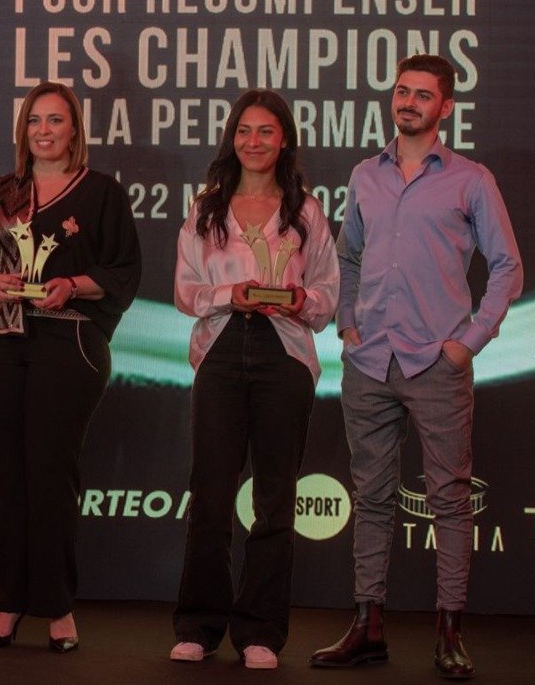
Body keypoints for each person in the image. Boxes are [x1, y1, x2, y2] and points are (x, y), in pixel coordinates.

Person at [311, 54, 522, 679]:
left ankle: (449, 634)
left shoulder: (470, 179)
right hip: (369, 359)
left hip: (437, 360)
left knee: (450, 501)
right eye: (401, 91)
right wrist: (347, 326)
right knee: (371, 498)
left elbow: (507, 267)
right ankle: (368, 627)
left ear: (446, 107)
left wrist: (469, 341)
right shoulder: (364, 175)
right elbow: (349, 258)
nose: (408, 102)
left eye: (422, 95)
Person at [0, 80, 140, 653]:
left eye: (56, 120)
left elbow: (124, 272)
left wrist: (72, 284)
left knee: (52, 476)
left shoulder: (102, 193)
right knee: (7, 475)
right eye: (35, 120)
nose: (44, 131)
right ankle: (7, 604)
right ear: (23, 129)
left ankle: (57, 608)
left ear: (74, 129)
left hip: (69, 343)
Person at [168, 89, 339, 670]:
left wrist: (299, 299)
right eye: (244, 130)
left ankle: (261, 631)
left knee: (274, 498)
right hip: (219, 350)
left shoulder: (306, 211)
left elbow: (328, 294)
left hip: (284, 355)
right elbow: (185, 291)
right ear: (231, 139)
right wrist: (229, 294)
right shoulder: (207, 209)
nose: (254, 141)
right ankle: (198, 626)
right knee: (211, 495)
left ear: (284, 139)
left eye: (266, 131)